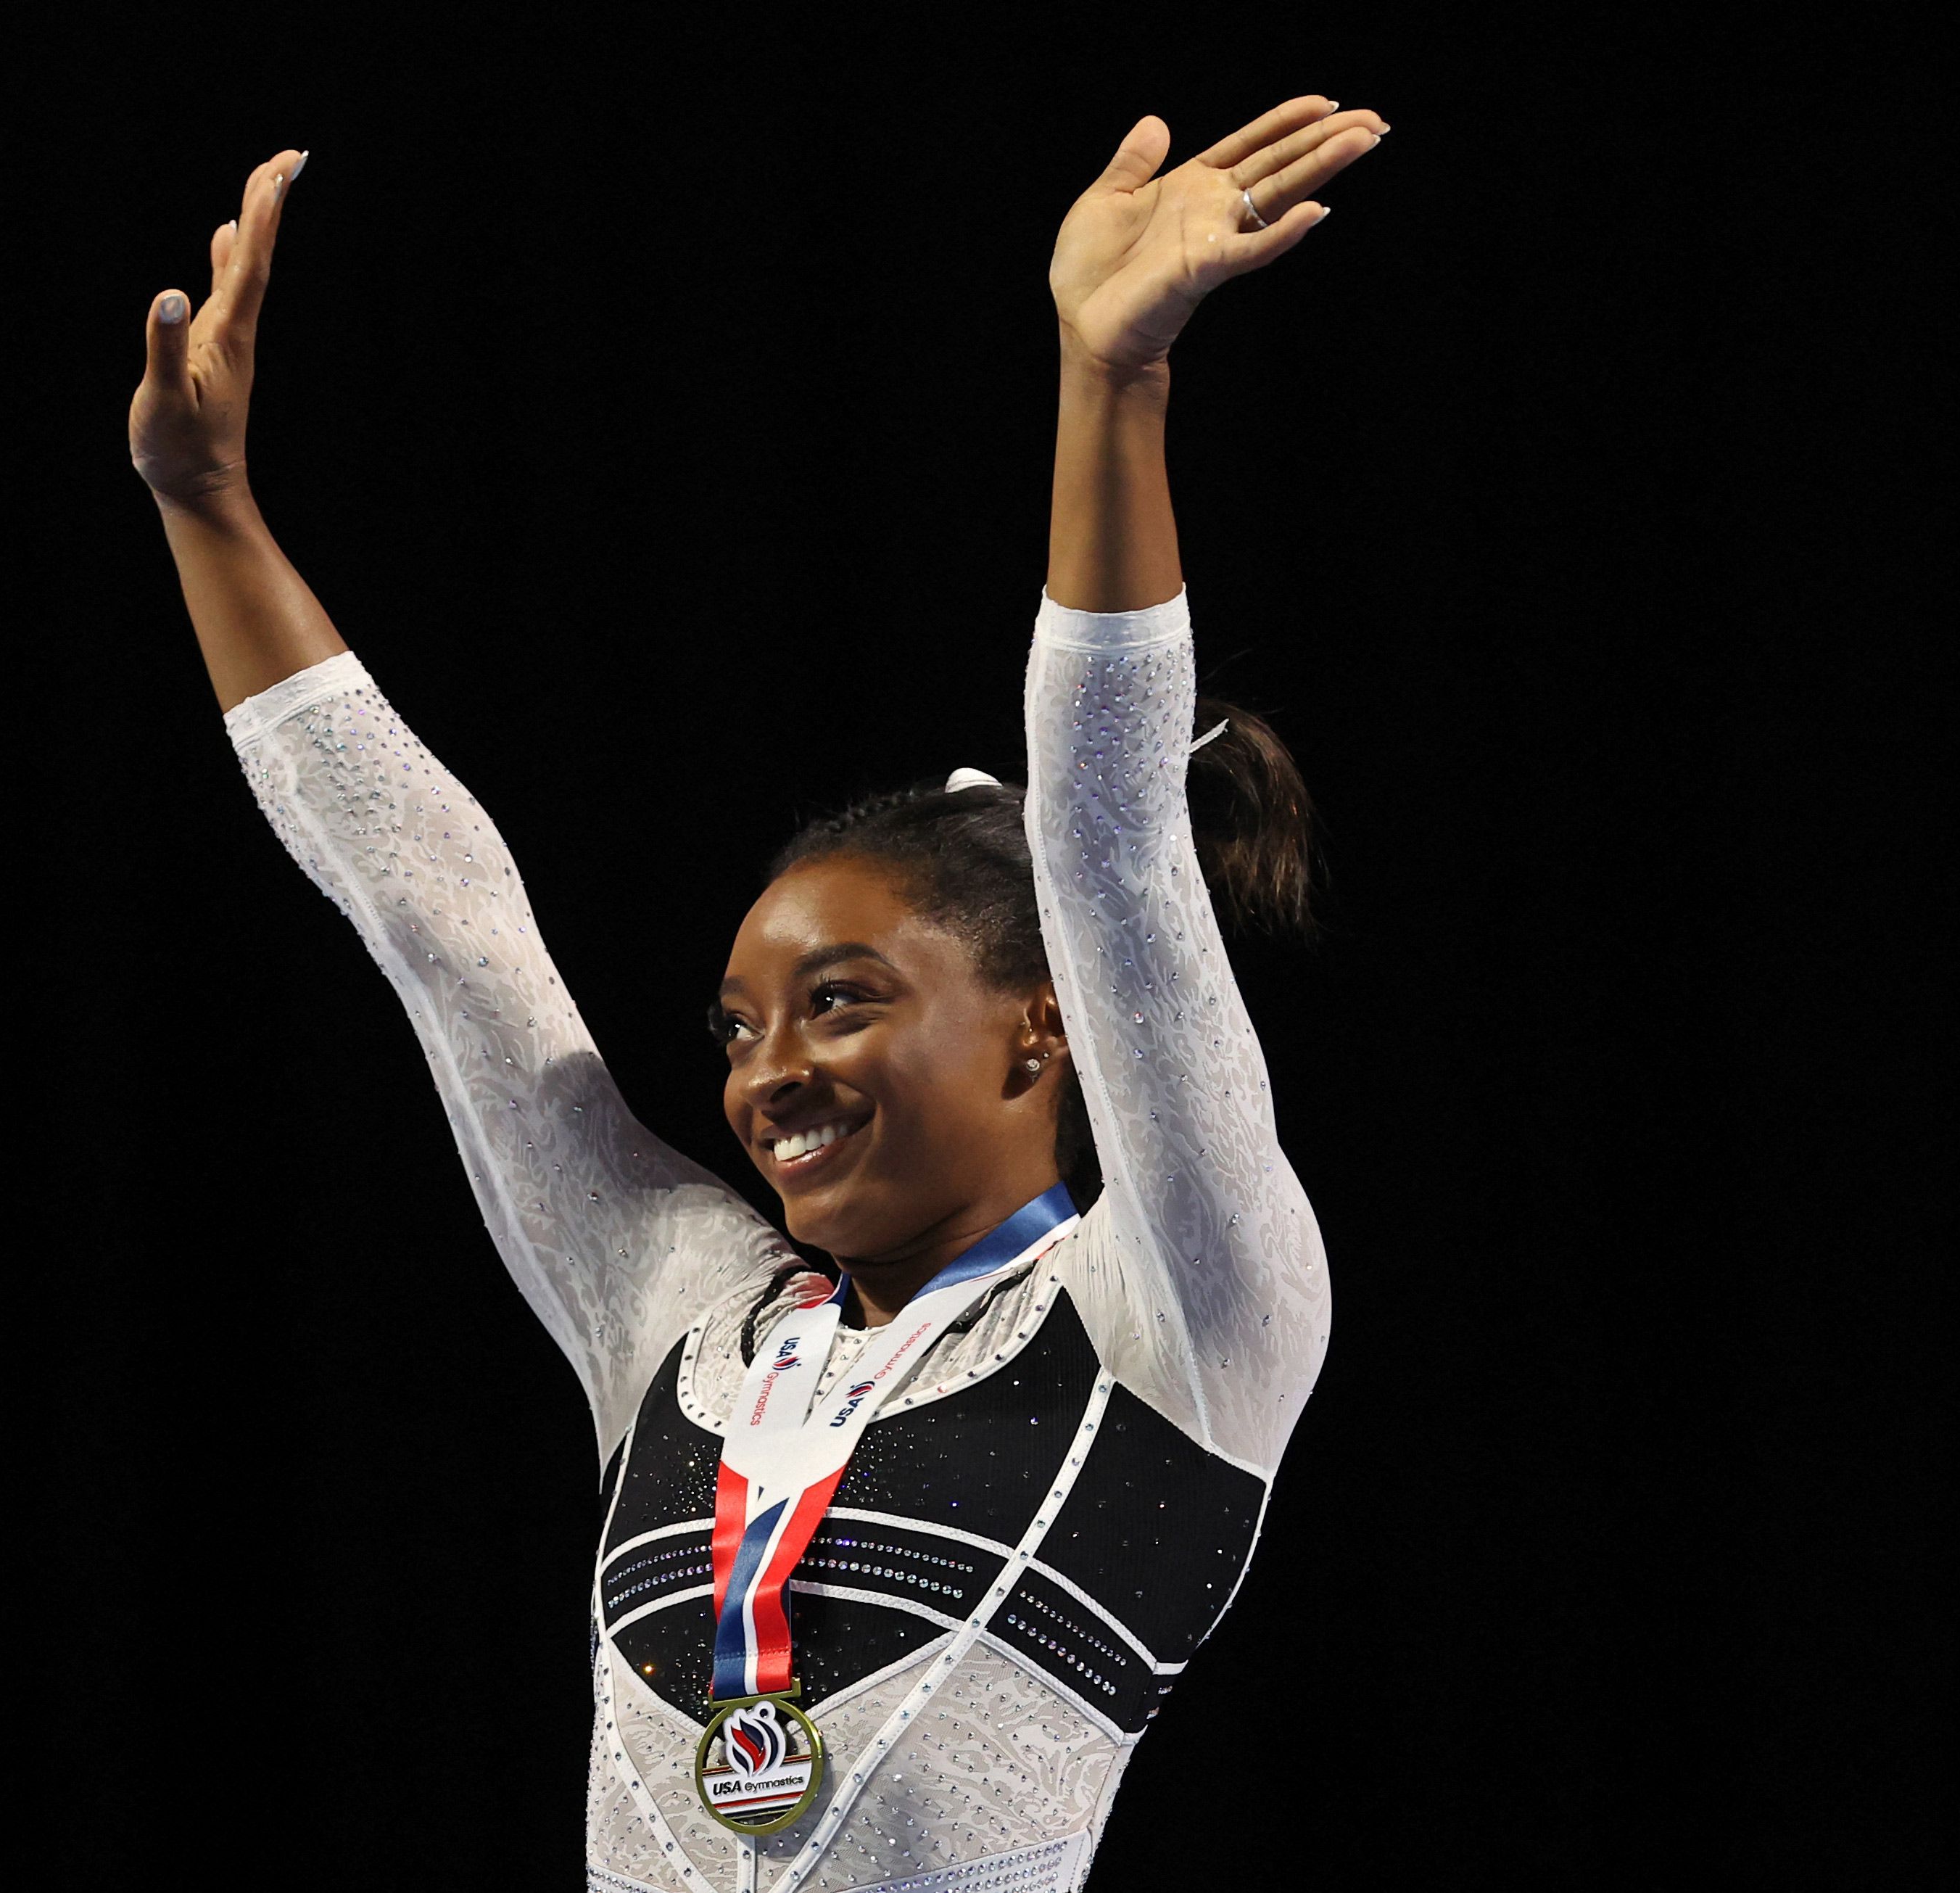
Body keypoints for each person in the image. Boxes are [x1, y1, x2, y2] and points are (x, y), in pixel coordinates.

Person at [128, 94, 1388, 1893]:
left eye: (841, 1003)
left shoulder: (1179, 1311)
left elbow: (1106, 837)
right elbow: (449, 931)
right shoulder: (681, 1317)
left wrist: (1109, 381)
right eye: (738, 1027)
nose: (764, 1076)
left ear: (1046, 1022)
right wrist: (205, 507)